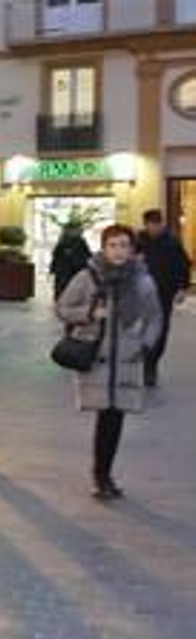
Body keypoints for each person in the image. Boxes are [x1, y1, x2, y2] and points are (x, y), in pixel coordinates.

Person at [56, 224, 163, 499]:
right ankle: (100, 476)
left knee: (114, 419)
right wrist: (90, 313)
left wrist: (145, 345)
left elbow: (155, 318)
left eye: (124, 245)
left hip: (127, 360)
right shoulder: (87, 277)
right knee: (105, 417)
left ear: (132, 249)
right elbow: (62, 308)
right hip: (98, 360)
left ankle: (104, 475)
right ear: (103, 248)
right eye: (113, 245)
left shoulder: (142, 281)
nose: (118, 251)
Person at [135, 209, 191, 387]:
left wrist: (182, 287)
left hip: (164, 293)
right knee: (141, 329)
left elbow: (183, 265)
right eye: (150, 224)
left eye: (157, 224)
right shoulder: (137, 242)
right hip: (140, 294)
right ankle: (144, 362)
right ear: (145, 224)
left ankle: (151, 364)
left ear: (162, 223)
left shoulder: (172, 241)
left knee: (160, 330)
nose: (154, 228)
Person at [50, 222, 92, 302]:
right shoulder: (68, 241)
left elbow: (87, 254)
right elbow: (56, 255)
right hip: (69, 270)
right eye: (78, 230)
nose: (80, 231)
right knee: (66, 287)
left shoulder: (75, 241)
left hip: (70, 270)